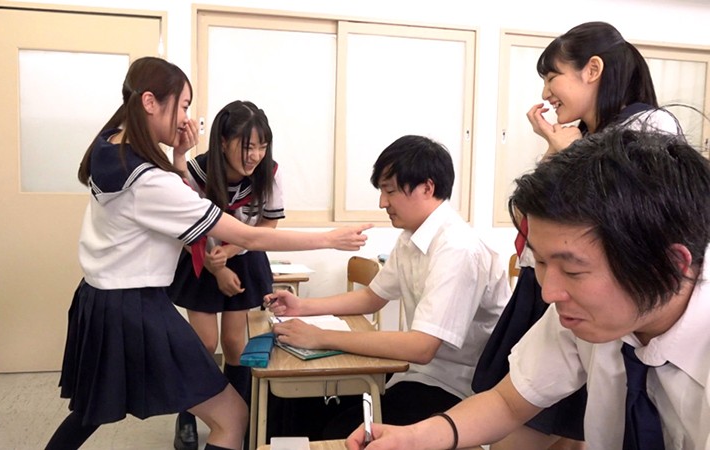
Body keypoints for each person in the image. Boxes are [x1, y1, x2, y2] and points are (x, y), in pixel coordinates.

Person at [44, 56, 370, 450]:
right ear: (149, 102)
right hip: (136, 306)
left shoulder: (109, 147)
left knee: (92, 409)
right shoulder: (150, 181)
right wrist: (329, 239)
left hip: (99, 299)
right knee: (233, 418)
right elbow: (246, 236)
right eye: (183, 106)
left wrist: (177, 157)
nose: (187, 119)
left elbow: (203, 211)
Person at [345, 127, 710, 450]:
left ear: (668, 265)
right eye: (543, 264)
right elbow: (508, 402)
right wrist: (413, 438)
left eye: (573, 270)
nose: (549, 293)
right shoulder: (585, 315)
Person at [471, 21, 680, 450]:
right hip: (548, 286)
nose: (546, 92)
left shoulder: (650, 125)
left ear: (593, 70)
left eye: (552, 76)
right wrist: (555, 148)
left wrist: (564, 151)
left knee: (550, 427)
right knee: (537, 418)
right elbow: (530, 216)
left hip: (596, 292)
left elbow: (629, 216)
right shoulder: (582, 136)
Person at [265, 135, 510, 439]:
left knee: (340, 430)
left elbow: (422, 347)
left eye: (390, 191)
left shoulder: (458, 248)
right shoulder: (411, 238)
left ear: (427, 187)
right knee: (295, 407)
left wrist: (321, 337)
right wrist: (303, 307)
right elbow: (372, 297)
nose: (383, 202)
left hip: (455, 389)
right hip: (415, 373)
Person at [168, 100, 283, 450]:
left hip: (243, 258)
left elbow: (269, 224)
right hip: (199, 257)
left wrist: (230, 253)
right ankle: (187, 414)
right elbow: (181, 225)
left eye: (262, 146)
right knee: (204, 344)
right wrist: (215, 267)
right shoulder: (197, 173)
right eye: (247, 147)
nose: (255, 156)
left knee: (235, 344)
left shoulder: (269, 173)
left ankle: (239, 414)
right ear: (222, 141)